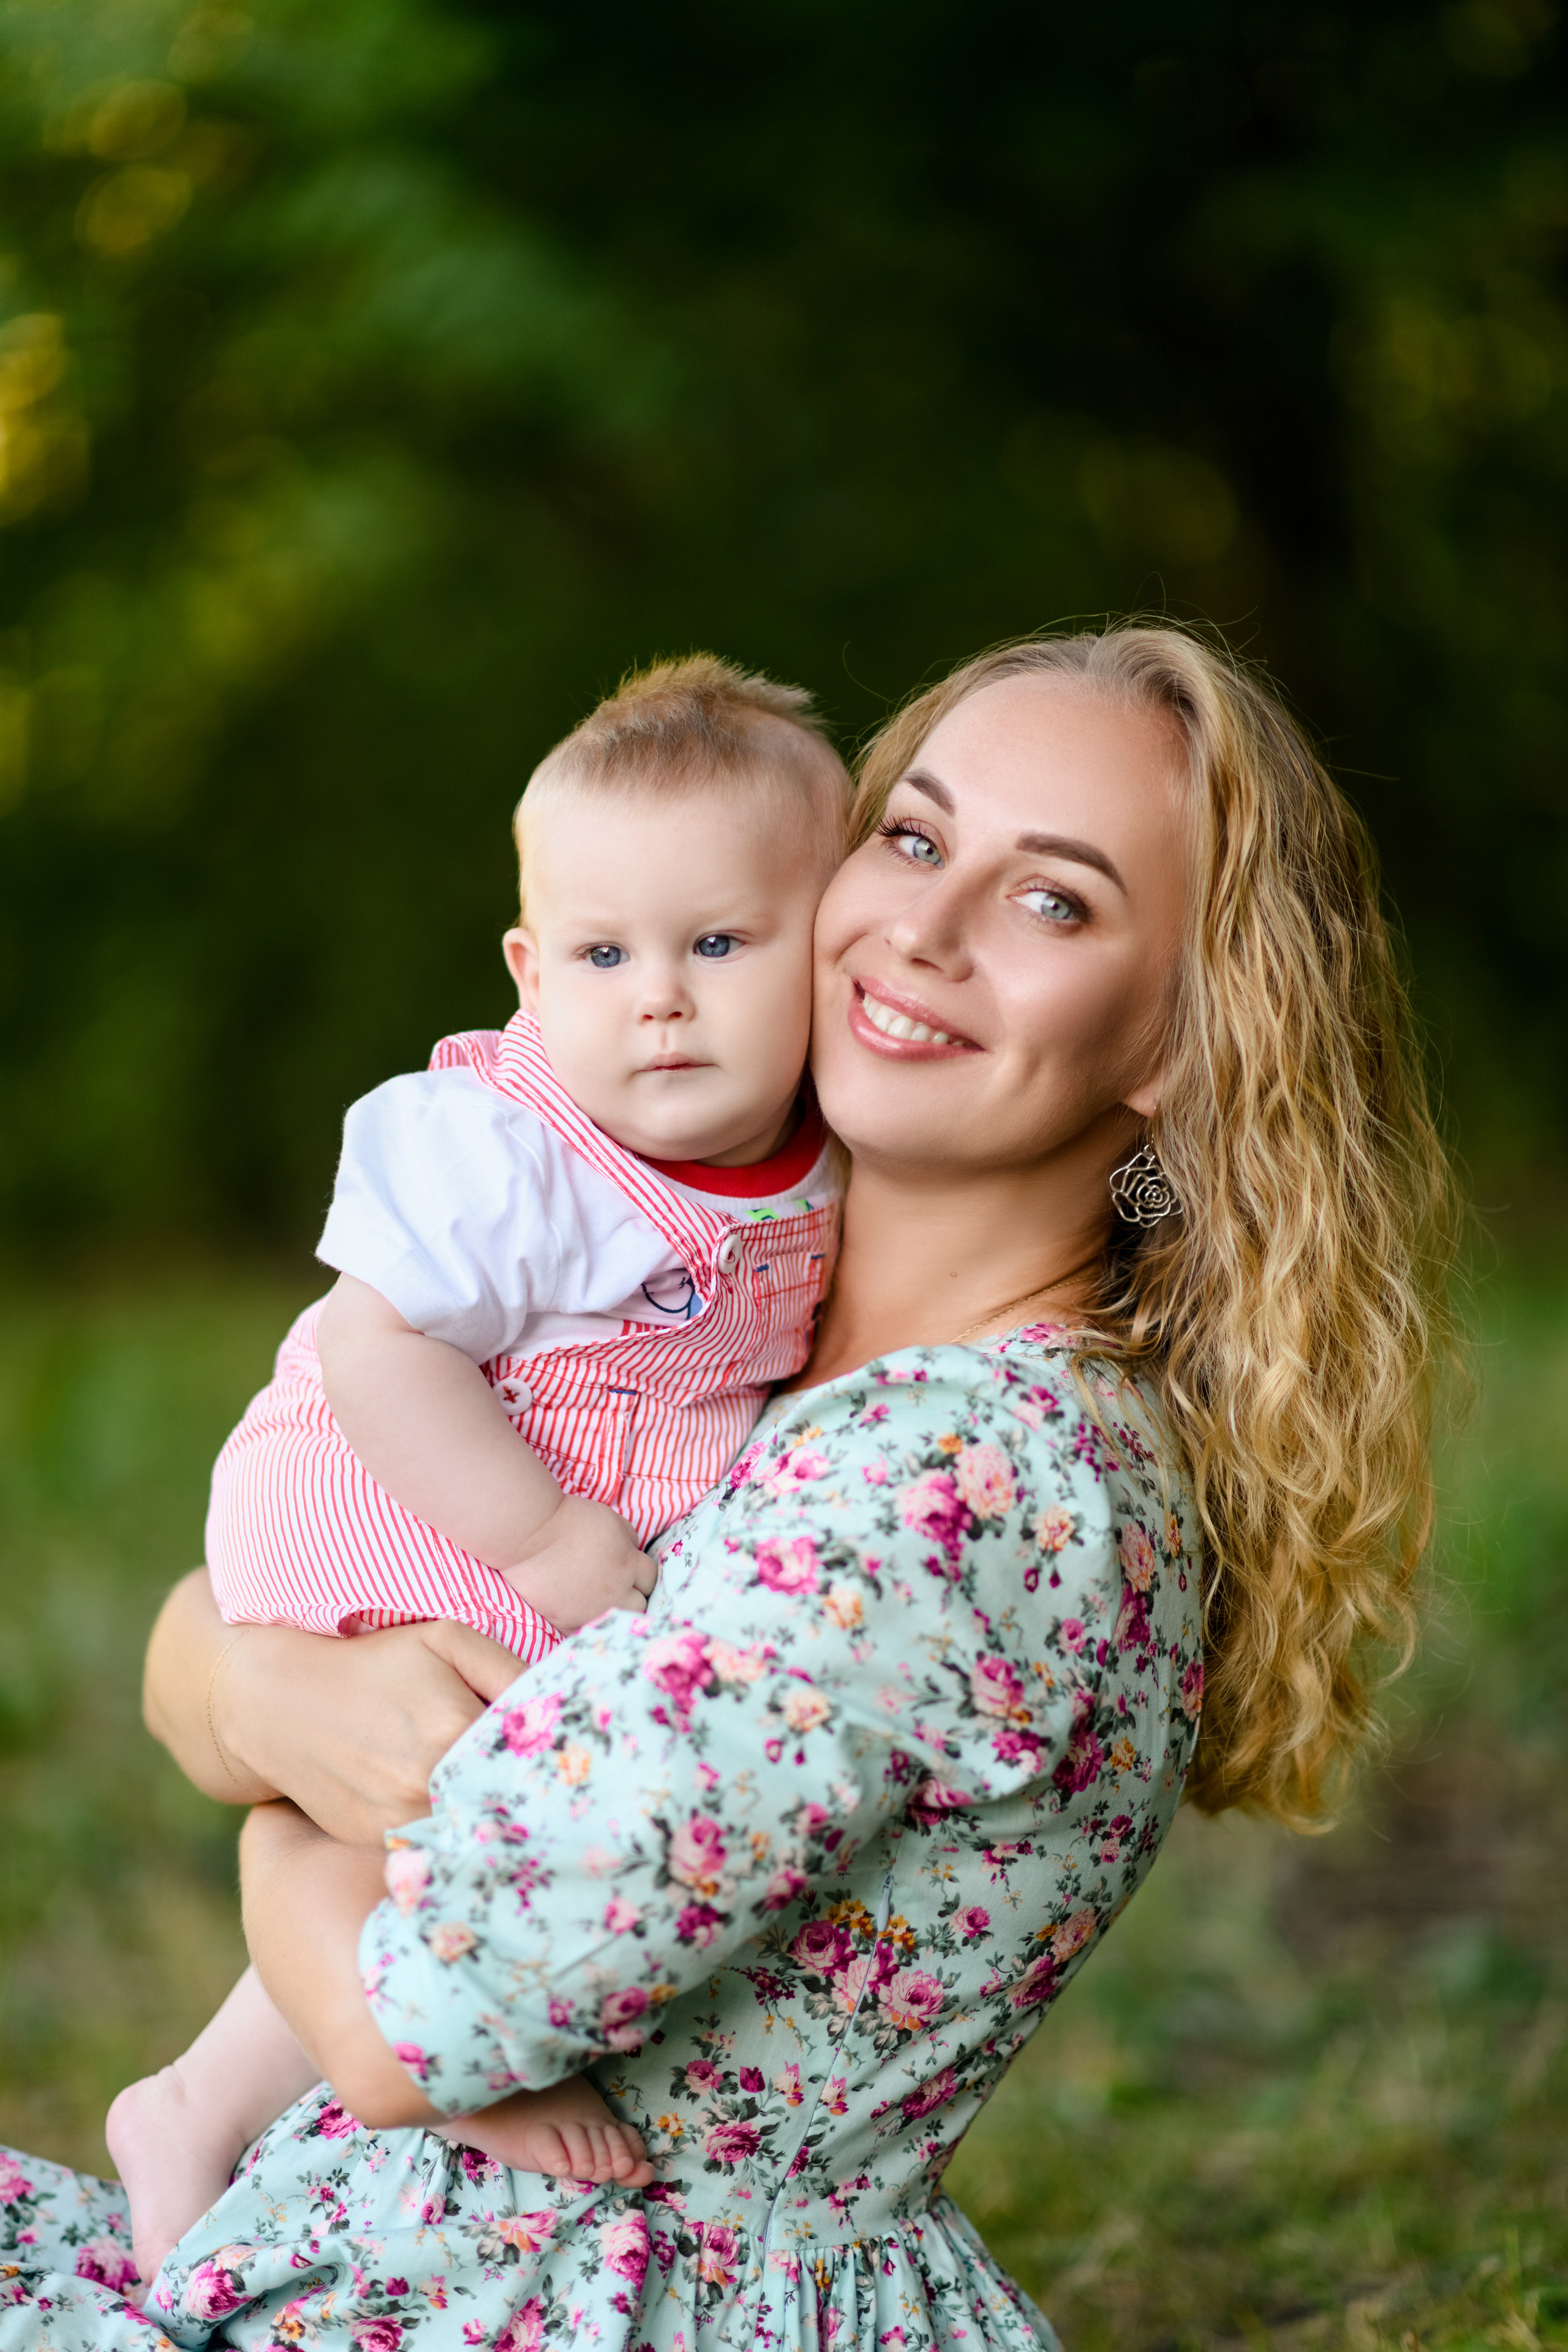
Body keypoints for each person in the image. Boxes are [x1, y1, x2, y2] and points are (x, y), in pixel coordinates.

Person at [0, 625, 1457, 2352]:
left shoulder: (963, 1485)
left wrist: (250, 1752)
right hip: (407, 2245)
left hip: (568, 2294)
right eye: (912, 841)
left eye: (1052, 902)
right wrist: (249, 1683)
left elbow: (415, 2023)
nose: (921, 926)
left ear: (1181, 1043)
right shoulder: (722, 1330)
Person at [104, 655, 850, 2284]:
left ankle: (192, 2105)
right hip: (411, 1487)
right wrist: (544, 1533)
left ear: (830, 946)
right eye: (605, 953)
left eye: (720, 944)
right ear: (530, 965)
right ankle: (433, 2057)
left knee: (468, 1792)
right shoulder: (510, 1147)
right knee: (399, 1806)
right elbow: (381, 1352)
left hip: (559, 1508)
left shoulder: (820, 1154)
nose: (661, 995)